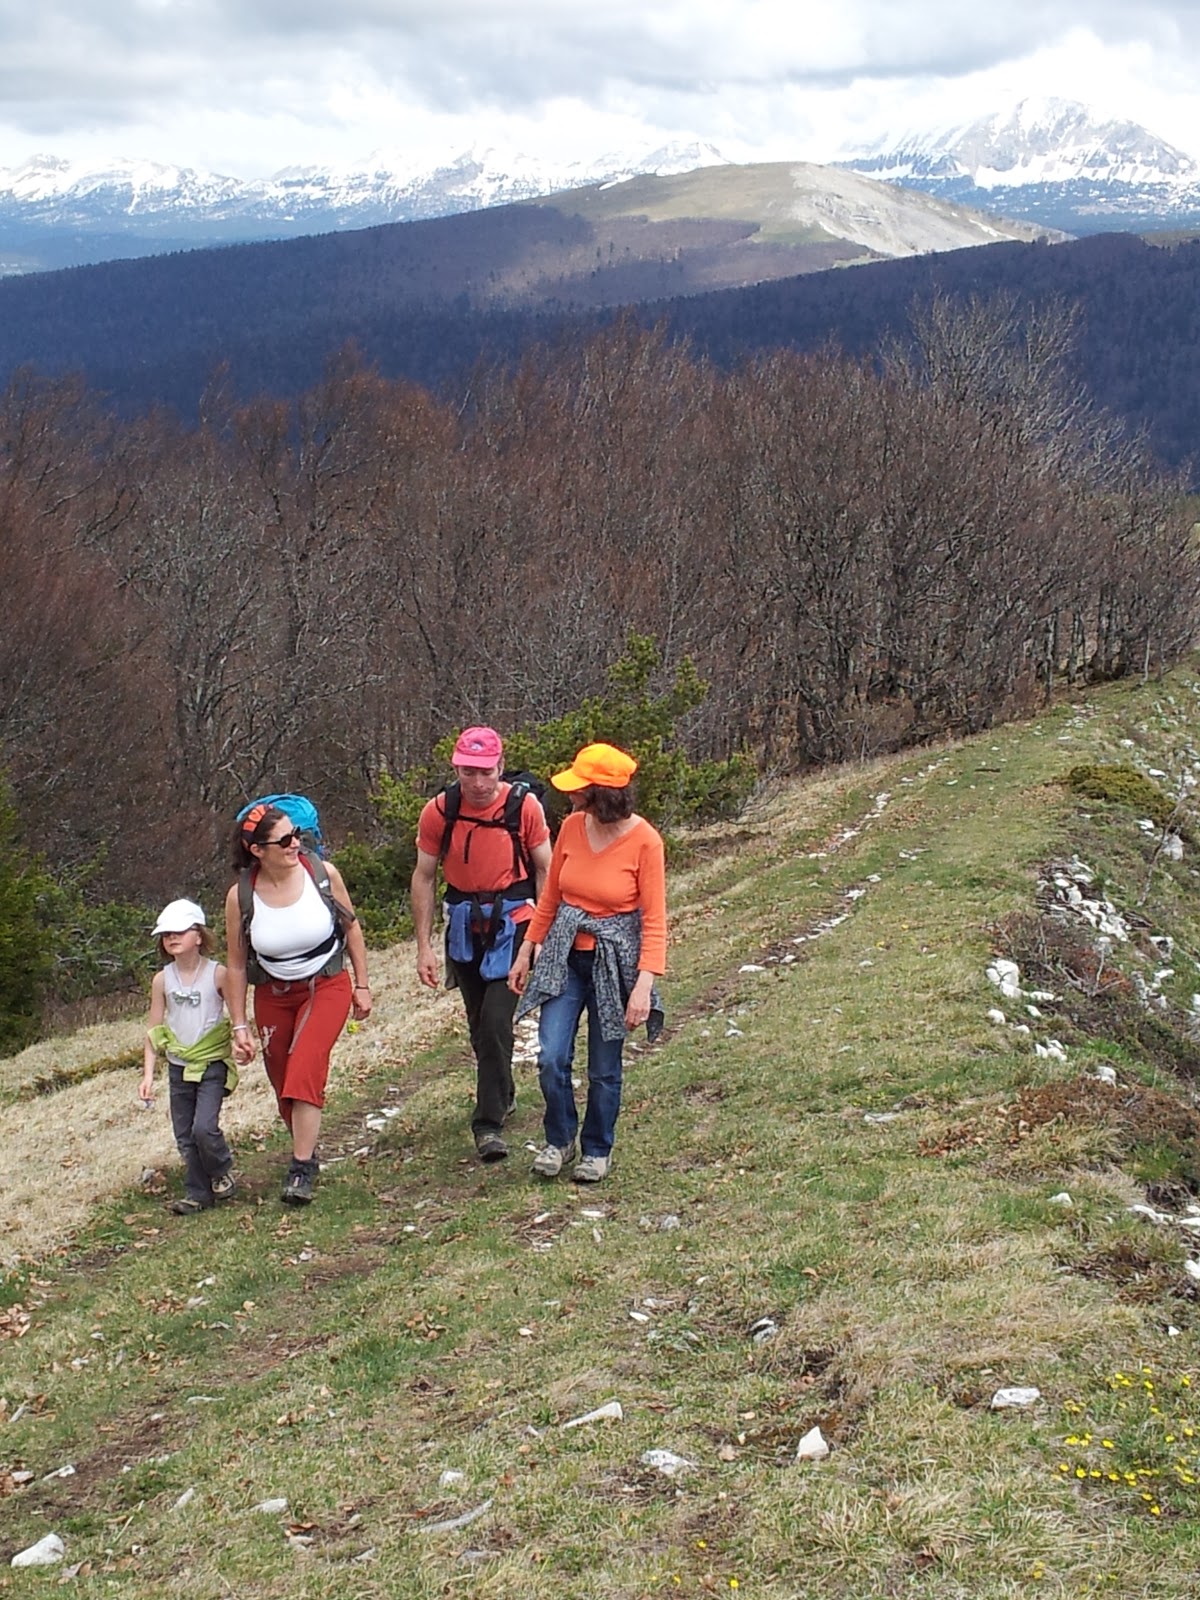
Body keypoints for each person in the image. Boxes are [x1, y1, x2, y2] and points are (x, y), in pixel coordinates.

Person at [508, 742, 666, 1183]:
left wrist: (643, 986)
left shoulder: (646, 841)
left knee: (603, 1068)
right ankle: (559, 1140)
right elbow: (551, 897)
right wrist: (527, 949)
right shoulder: (572, 827)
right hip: (565, 958)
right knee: (551, 1056)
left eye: (580, 787)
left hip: (614, 965)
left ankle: (597, 1149)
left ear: (602, 793)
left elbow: (654, 920)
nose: (571, 793)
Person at [412, 726, 552, 1162]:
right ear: (456, 769)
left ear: (500, 768)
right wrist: (423, 946)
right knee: (480, 1026)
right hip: (463, 927)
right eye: (468, 771)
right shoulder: (440, 811)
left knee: (495, 1020)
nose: (477, 782)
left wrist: (540, 937)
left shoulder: (524, 807)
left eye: (485, 772)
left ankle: (487, 1124)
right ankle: (503, 1094)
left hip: (514, 923)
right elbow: (424, 876)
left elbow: (546, 870)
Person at [224, 803, 372, 1205]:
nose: (296, 845)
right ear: (257, 850)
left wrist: (362, 985)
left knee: (305, 1066)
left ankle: (301, 1167)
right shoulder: (241, 896)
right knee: (283, 1083)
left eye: (297, 835)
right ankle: (307, 1148)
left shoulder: (322, 874)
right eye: (285, 840)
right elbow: (236, 964)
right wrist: (239, 1025)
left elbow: (351, 928)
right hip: (273, 993)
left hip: (326, 985)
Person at [141, 898, 238, 1216]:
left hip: (210, 1065)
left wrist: (242, 1038)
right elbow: (154, 1030)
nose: (172, 938)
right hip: (178, 1068)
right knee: (184, 1136)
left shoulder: (218, 974)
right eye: (166, 934)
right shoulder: (162, 980)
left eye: (179, 931)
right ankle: (198, 1192)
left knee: (203, 1128)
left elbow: (237, 1013)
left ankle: (220, 1170)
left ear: (198, 935)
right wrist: (148, 1075)